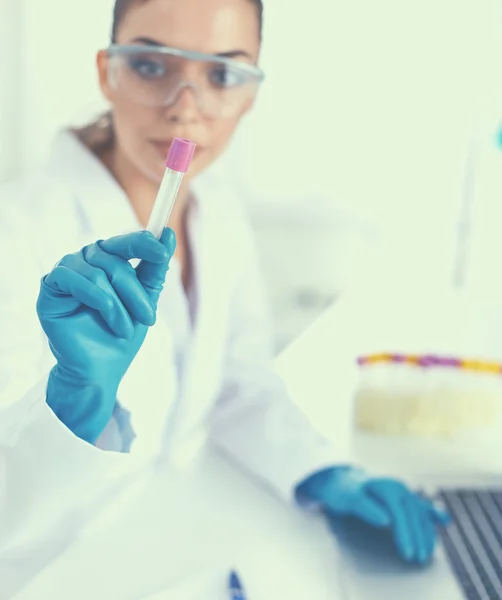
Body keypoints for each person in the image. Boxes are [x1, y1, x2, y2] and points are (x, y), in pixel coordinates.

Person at [0, 0, 448, 569]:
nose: (185, 109)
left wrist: (323, 472)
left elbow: (240, 382)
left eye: (222, 75)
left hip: (171, 545)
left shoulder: (218, 212)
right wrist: (76, 406)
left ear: (251, 93)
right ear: (106, 72)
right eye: (151, 66)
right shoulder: (13, 232)